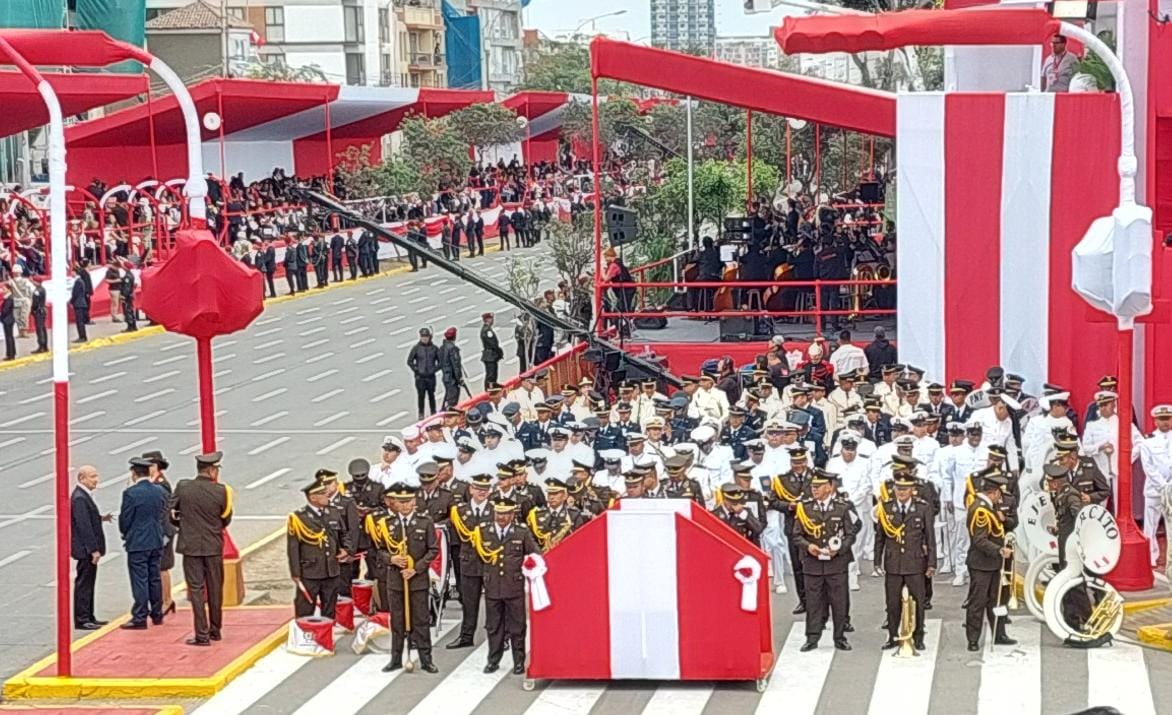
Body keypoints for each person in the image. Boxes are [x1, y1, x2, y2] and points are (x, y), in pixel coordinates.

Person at [369, 482, 439, 673]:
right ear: (396, 503)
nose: (405, 505)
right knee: (398, 621)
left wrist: (415, 569)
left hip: (417, 580)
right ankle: (396, 658)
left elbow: (433, 550)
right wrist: (392, 559)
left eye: (408, 501)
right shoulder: (387, 525)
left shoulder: (425, 522)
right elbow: (379, 551)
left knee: (421, 621)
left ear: (414, 501)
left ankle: (426, 659)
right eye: (401, 502)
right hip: (395, 580)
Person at [791, 469, 858, 651]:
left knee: (839, 601)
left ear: (829, 487)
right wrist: (808, 546)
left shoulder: (842, 507)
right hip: (812, 564)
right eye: (813, 486)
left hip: (835, 563)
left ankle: (839, 636)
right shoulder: (805, 508)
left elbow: (851, 534)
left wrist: (839, 549)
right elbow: (796, 535)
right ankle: (812, 637)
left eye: (818, 486)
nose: (814, 489)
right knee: (813, 602)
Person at [171, 451, 233, 646]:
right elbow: (226, 519)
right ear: (212, 470)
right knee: (215, 588)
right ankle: (216, 630)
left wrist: (184, 526)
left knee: (196, 590)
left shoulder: (183, 487)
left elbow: (170, 513)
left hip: (190, 546)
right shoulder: (222, 491)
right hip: (213, 546)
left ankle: (201, 634)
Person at [478, 496, 541, 675]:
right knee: (494, 626)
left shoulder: (521, 532)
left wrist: (529, 566)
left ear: (512, 514)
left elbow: (536, 553)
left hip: (514, 586)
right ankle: (493, 660)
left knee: (517, 626)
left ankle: (518, 661)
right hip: (492, 586)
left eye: (505, 514)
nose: (501, 517)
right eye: (498, 513)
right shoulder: (483, 531)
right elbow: (478, 557)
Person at [874, 468, 935, 652]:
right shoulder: (886, 507)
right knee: (892, 603)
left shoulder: (922, 508)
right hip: (893, 563)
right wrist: (877, 561)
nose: (901, 492)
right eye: (898, 488)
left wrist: (931, 563)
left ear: (912, 490)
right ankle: (893, 636)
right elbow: (880, 538)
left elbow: (930, 537)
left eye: (905, 489)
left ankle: (918, 637)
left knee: (917, 602)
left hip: (915, 563)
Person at [964, 468, 1016, 651]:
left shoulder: (989, 508)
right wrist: (999, 550)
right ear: (993, 493)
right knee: (977, 602)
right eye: (998, 494)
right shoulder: (980, 511)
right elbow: (979, 540)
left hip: (994, 564)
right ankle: (973, 638)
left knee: (997, 600)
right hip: (981, 565)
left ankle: (998, 632)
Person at [446, 473, 495, 649]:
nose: (482, 492)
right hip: (469, 561)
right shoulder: (460, 511)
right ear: (471, 489)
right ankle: (466, 636)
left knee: (494, 603)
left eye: (486, 489)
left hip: (491, 562)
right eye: (478, 488)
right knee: (469, 602)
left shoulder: (496, 510)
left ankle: (497, 638)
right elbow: (460, 537)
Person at [119, 457, 168, 630]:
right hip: (156, 539)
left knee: (140, 579)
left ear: (134, 473)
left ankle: (140, 615)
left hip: (138, 541)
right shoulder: (159, 490)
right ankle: (157, 613)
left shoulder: (131, 493)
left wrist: (126, 534)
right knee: (154, 577)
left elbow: (125, 519)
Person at [288, 476, 344, 618]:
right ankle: (305, 638)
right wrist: (295, 573)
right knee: (305, 609)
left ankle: (326, 637)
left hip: (331, 570)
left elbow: (342, 535)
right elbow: (293, 548)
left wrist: (345, 550)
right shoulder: (299, 518)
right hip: (310, 572)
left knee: (330, 609)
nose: (327, 495)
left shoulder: (333, 512)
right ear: (313, 498)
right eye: (323, 493)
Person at [71, 465, 110, 630]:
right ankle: (82, 618)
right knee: (84, 584)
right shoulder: (80, 498)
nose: (96, 480)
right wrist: (93, 549)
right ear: (82, 478)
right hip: (85, 550)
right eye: (92, 476)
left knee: (89, 583)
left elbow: (89, 518)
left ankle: (89, 615)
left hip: (87, 549)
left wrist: (100, 518)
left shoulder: (84, 496)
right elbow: (84, 525)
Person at [143, 451, 178, 615]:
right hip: (155, 530)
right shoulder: (152, 482)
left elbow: (164, 511)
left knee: (162, 567)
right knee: (156, 567)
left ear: (156, 466)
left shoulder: (161, 484)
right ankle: (161, 601)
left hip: (163, 531)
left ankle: (167, 600)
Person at [1139, 404, 1172, 567]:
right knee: (1150, 526)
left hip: (1171, 490)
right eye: (1162, 419)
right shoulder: (1148, 441)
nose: (1165, 422)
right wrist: (1164, 486)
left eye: (1168, 419)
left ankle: (1170, 558)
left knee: (1170, 525)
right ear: (1155, 421)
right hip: (1154, 490)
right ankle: (1150, 556)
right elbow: (1148, 467)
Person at [407, 327, 441, 420]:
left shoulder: (434, 348)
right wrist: (416, 370)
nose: (424, 338)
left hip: (430, 377)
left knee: (431, 395)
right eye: (423, 336)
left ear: (429, 337)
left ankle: (433, 412)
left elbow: (441, 362)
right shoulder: (416, 348)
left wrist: (434, 370)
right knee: (421, 396)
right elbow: (409, 361)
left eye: (426, 336)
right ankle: (421, 413)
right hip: (420, 377)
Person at [439, 326, 464, 410]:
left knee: (448, 395)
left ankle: (443, 410)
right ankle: (448, 414)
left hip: (445, 376)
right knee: (453, 399)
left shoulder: (442, 348)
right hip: (451, 377)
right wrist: (459, 378)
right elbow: (455, 365)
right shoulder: (452, 349)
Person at [480, 312, 502, 391]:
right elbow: (493, 343)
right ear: (487, 319)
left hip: (491, 355)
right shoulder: (487, 331)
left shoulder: (487, 329)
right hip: (490, 355)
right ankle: (489, 389)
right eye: (491, 318)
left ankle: (493, 386)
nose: (493, 320)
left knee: (493, 372)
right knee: (491, 374)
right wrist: (499, 351)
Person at [70, 264, 91, 343]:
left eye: (72, 272)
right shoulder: (80, 281)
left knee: (80, 321)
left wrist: (71, 301)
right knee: (80, 321)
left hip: (79, 303)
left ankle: (82, 336)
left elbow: (75, 293)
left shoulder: (78, 282)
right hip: (80, 303)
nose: (71, 273)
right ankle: (82, 336)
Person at [29, 278, 47, 354]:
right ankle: (45, 345)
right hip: (43, 310)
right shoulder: (43, 289)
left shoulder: (37, 291)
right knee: (43, 328)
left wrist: (32, 310)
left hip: (38, 311)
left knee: (39, 329)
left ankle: (41, 346)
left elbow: (35, 302)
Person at [120, 266, 138, 332]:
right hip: (130, 295)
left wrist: (123, 295)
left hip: (127, 296)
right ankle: (134, 325)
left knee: (127, 311)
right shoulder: (131, 274)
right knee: (131, 310)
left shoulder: (127, 276)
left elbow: (126, 288)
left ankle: (130, 326)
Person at [0, 284, 14, 360]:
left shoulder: (9, 298)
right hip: (7, 319)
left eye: (4, 288)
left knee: (9, 337)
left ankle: (11, 354)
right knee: (9, 337)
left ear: (8, 289)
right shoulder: (7, 298)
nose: (3, 290)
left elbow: (5, 310)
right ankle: (11, 353)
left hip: (8, 319)